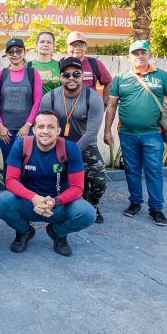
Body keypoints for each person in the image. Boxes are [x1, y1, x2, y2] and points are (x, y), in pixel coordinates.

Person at [104, 40, 167, 226]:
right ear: (129, 57)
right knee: (132, 170)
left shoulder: (162, 76)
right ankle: (135, 203)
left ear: (149, 55)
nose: (139, 56)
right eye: (135, 53)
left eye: (143, 52)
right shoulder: (120, 79)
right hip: (126, 134)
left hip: (153, 134)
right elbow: (111, 106)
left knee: (154, 171)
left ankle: (156, 209)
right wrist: (107, 131)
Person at [0, 110, 96, 257]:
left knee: (88, 213)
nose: (45, 131)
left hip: (58, 204)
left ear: (58, 130)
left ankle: (57, 233)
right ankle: (24, 231)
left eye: (51, 127)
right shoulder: (21, 145)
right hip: (29, 203)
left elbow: (77, 188)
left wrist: (55, 201)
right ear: (34, 130)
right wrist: (34, 198)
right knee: (1, 202)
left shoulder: (70, 148)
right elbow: (10, 180)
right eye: (41, 127)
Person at [39, 57, 107, 223]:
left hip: (85, 145)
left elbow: (91, 132)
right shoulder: (50, 97)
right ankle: (57, 204)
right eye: (66, 74)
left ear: (82, 76)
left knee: (99, 180)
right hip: (56, 145)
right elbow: (44, 127)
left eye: (76, 74)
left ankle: (92, 205)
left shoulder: (93, 98)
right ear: (61, 77)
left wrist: (72, 152)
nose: (71, 78)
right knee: (50, 179)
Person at [0, 38, 43, 175]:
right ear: (7, 54)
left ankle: (26, 194)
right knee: (8, 164)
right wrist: (0, 126)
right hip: (5, 131)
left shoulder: (33, 74)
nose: (15, 54)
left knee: (24, 164)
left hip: (25, 129)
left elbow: (37, 101)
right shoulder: (0, 74)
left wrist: (28, 125)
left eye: (18, 51)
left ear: (24, 52)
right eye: (11, 52)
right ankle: (9, 194)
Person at [65, 31, 113, 104]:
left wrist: (104, 104)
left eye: (80, 45)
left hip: (90, 110)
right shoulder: (60, 64)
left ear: (86, 47)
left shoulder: (95, 63)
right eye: (73, 45)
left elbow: (109, 82)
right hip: (66, 110)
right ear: (67, 47)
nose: (77, 48)